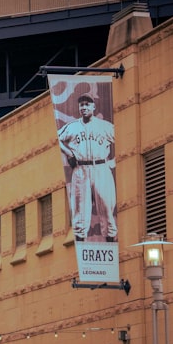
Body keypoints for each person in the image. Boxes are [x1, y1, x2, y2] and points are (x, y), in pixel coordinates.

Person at [58, 90, 117, 242]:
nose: (84, 107)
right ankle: (82, 248)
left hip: (100, 168)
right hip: (81, 170)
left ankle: (110, 245)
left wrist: (114, 161)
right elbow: (56, 139)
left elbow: (122, 136)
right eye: (81, 105)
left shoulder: (104, 126)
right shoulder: (72, 127)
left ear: (94, 107)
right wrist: (69, 153)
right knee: (80, 212)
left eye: (87, 104)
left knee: (107, 209)